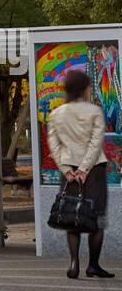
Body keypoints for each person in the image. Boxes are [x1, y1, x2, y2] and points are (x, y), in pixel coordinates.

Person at [47, 69, 114, 280]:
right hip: (94, 170)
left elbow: (53, 144)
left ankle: (74, 262)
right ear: (86, 88)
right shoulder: (94, 111)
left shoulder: (57, 114)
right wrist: (85, 169)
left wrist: (67, 170)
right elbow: (96, 143)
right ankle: (93, 265)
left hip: (68, 170)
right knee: (97, 218)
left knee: (71, 216)